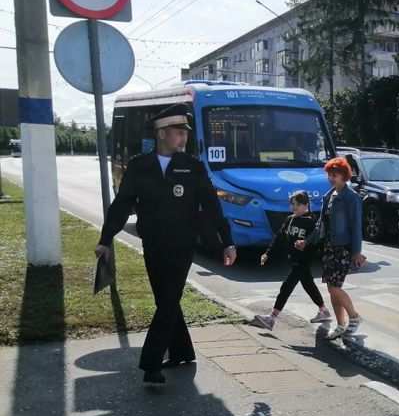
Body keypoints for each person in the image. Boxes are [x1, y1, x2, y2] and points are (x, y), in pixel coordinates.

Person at [95, 105, 237, 385]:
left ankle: (151, 365)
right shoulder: (139, 166)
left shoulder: (193, 166)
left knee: (169, 299)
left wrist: (227, 241)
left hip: (182, 246)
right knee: (165, 300)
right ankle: (183, 352)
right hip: (153, 244)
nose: (184, 137)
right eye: (178, 132)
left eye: (185, 132)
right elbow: (122, 204)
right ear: (161, 133)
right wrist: (105, 239)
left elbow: (211, 206)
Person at [299, 157, 365, 340]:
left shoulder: (351, 198)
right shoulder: (329, 196)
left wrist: (356, 251)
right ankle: (340, 324)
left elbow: (356, 227)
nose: (331, 178)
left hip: (342, 248)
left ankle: (354, 317)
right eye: (329, 175)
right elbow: (322, 223)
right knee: (331, 288)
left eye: (334, 175)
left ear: (344, 176)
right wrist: (308, 241)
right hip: (329, 247)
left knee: (335, 287)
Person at [253, 190, 331, 331]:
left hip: (303, 260)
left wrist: (305, 249)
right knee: (308, 285)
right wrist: (268, 253)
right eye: (292, 204)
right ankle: (323, 310)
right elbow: (279, 238)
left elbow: (316, 243)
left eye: (298, 204)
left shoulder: (311, 222)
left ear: (306, 205)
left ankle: (272, 318)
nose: (295, 207)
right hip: (294, 258)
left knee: (287, 286)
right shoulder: (289, 220)